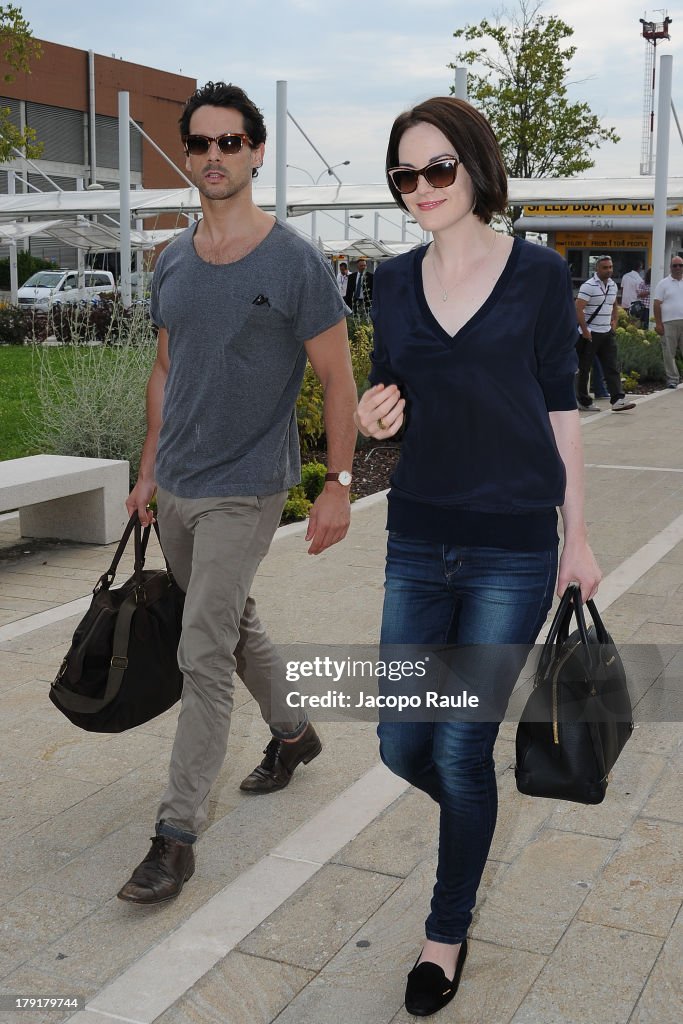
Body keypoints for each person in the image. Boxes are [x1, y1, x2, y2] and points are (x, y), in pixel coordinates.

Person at [354, 96, 601, 1018]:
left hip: (510, 548)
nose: (419, 187)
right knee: (397, 742)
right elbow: (388, 401)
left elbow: (560, 412)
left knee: (459, 748)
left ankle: (442, 934)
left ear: (474, 167)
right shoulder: (386, 279)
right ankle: (471, 810)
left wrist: (578, 539)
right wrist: (375, 422)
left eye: (437, 169)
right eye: (403, 174)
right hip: (416, 536)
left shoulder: (539, 275)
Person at [118, 81, 357, 905]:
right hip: (178, 483)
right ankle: (292, 734)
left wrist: (339, 483)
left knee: (203, 651)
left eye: (230, 143)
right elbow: (164, 368)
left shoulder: (294, 262)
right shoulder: (173, 258)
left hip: (246, 487)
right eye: (200, 144)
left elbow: (336, 376)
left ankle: (174, 837)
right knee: (231, 617)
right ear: (188, 156)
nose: (214, 157)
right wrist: (147, 467)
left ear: (256, 151)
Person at [575, 256, 636, 412]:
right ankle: (584, 401)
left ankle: (618, 400)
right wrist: (585, 330)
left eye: (610, 267)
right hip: (589, 334)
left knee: (612, 366)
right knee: (584, 369)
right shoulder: (588, 286)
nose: (609, 270)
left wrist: (614, 321)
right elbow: (578, 309)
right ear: (597, 269)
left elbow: (613, 303)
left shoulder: (612, 285)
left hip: (606, 333)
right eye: (605, 268)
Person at [652, 256, 683, 388]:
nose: (678, 268)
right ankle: (672, 379)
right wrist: (658, 324)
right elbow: (657, 304)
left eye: (680, 265)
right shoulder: (663, 283)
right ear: (670, 267)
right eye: (675, 265)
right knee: (669, 352)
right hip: (668, 323)